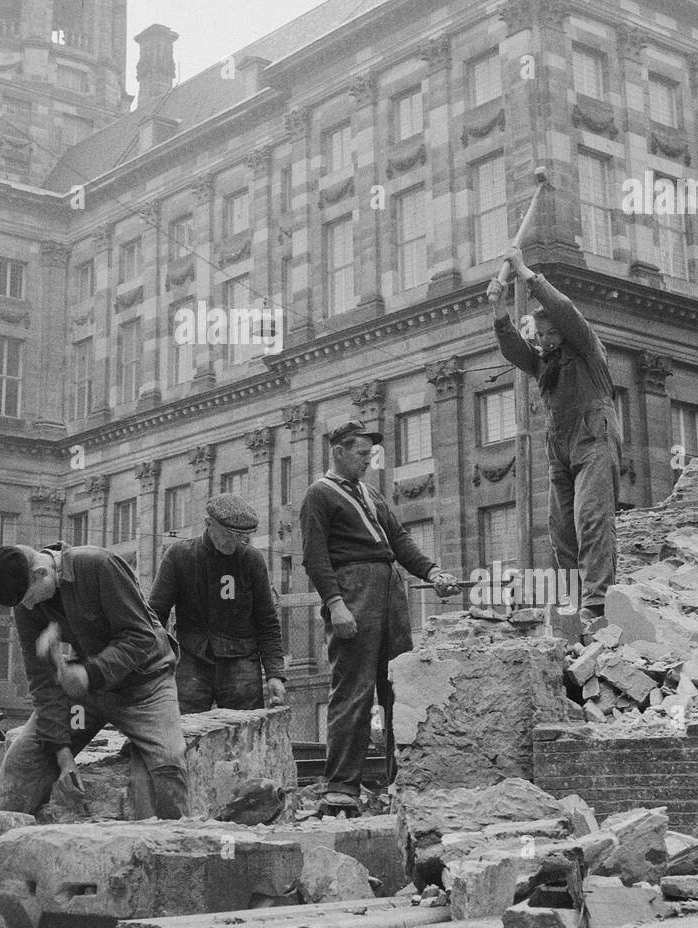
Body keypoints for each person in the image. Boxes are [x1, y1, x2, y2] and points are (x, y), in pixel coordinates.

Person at [299, 419, 457, 810]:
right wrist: (336, 604)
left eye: (370, 454)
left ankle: (400, 781)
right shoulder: (319, 495)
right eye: (361, 453)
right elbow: (315, 558)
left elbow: (400, 541)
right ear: (338, 451)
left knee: (398, 688)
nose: (368, 460)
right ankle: (341, 788)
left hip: (390, 592)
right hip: (354, 592)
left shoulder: (370, 495)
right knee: (353, 691)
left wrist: (433, 572)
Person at [0, 542, 189, 819]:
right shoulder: (26, 603)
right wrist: (63, 754)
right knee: (23, 763)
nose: (28, 606)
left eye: (28, 598)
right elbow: (43, 682)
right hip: (89, 694)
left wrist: (90, 673)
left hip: (146, 687)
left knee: (167, 767)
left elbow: (142, 637)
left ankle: (175, 851)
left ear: (41, 573)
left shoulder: (99, 565)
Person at [488, 245, 621, 634]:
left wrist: (527, 274)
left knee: (591, 515)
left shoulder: (587, 349)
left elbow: (564, 310)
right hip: (560, 448)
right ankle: (574, 599)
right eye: (540, 334)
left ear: (564, 334)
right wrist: (498, 309)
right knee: (561, 527)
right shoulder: (542, 362)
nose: (544, 340)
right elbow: (514, 347)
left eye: (550, 334)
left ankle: (597, 602)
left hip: (593, 436)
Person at [149, 493, 287, 713]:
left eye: (240, 536)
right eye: (228, 534)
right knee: (183, 730)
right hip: (191, 659)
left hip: (241, 661)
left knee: (246, 730)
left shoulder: (252, 560)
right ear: (208, 524)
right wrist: (155, 665)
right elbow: (155, 615)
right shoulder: (179, 556)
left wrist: (275, 674)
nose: (234, 542)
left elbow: (267, 622)